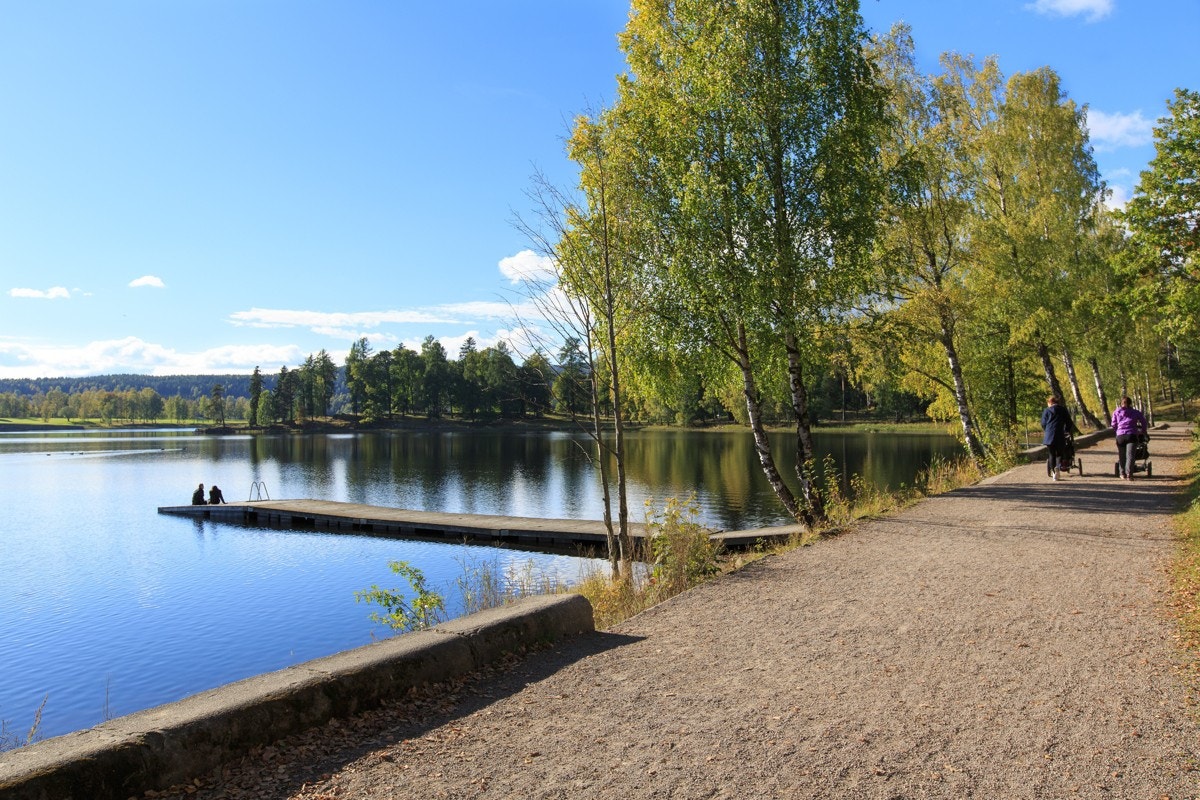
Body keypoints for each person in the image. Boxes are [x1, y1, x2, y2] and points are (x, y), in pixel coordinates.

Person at [1111, 396, 1149, 480]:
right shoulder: (1135, 412)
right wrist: (1143, 431)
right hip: (1132, 435)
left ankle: (1122, 473)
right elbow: (1143, 421)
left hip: (1120, 436)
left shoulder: (1116, 412)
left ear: (1121, 403)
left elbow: (1113, 424)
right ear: (1130, 403)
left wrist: (1117, 430)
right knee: (1130, 455)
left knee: (1122, 455)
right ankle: (1129, 474)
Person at [1040, 395, 1075, 481]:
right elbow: (1069, 422)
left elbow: (1043, 423)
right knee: (1059, 454)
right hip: (1060, 434)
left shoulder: (1046, 411)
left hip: (1049, 436)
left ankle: (1054, 473)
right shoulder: (1062, 409)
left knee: (1051, 454)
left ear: (1050, 403)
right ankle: (1057, 468)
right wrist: (1066, 430)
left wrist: (1047, 430)